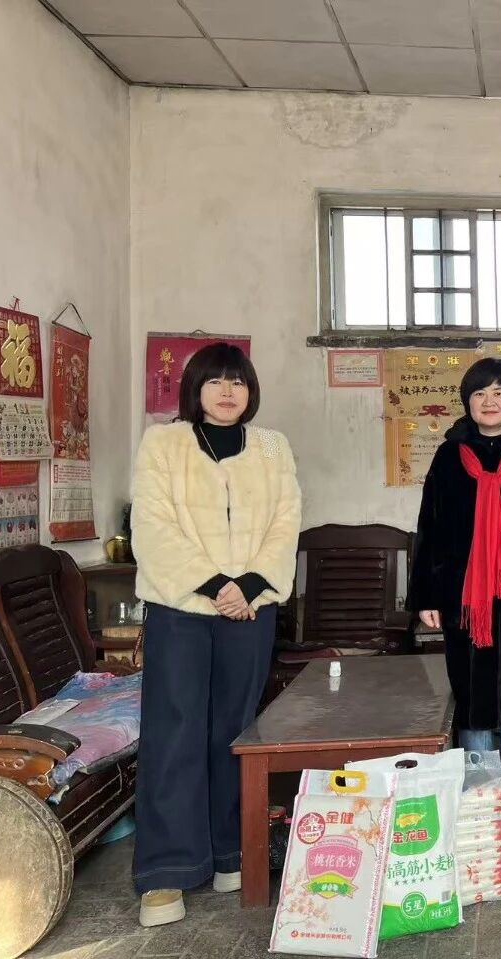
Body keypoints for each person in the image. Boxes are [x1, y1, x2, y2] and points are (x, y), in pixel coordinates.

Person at [130, 343, 301, 926]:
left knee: (236, 731)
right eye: (216, 381)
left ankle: (232, 852)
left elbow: (286, 520)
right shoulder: (164, 443)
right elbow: (152, 524)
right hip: (181, 607)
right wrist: (213, 585)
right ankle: (167, 871)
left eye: (238, 381)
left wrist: (248, 585)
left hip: (250, 608)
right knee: (173, 731)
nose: (228, 392)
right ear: (195, 389)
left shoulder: (272, 446)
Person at [411, 358, 501, 809]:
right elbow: (429, 526)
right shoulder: (449, 456)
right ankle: (479, 804)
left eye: (498, 392)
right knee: (473, 699)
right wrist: (426, 595)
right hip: (465, 597)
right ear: (467, 402)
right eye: (479, 393)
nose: (489, 402)